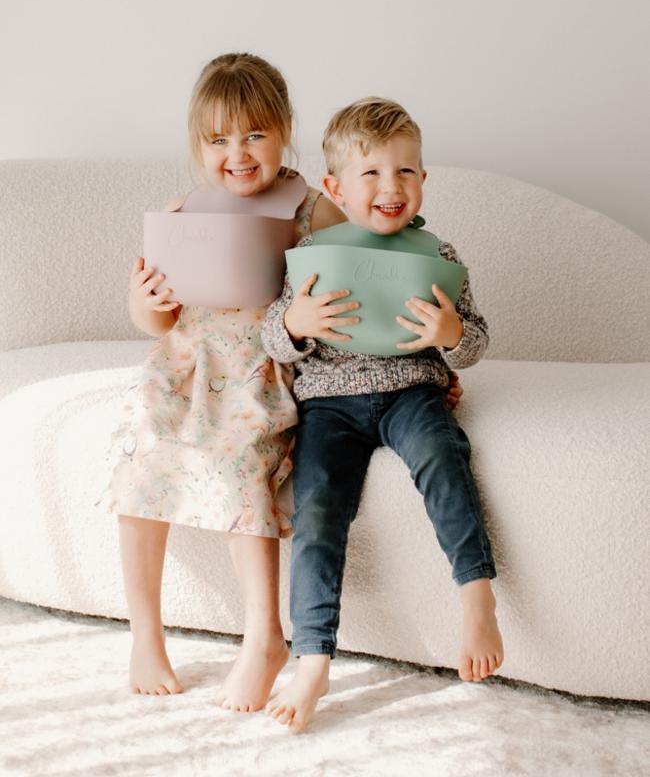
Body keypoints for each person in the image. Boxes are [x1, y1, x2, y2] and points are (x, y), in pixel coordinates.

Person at [99, 52, 346, 709]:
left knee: (245, 463)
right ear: (197, 145)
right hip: (184, 368)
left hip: (257, 373)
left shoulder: (311, 209)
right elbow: (155, 320)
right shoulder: (186, 209)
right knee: (140, 454)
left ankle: (264, 636)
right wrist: (144, 295)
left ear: (284, 129)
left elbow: (348, 306)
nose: (237, 154)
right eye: (218, 140)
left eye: (254, 135)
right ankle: (144, 633)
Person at [260, 97, 504, 733]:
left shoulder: (437, 252)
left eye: (406, 172)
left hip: (412, 391)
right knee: (315, 510)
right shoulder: (314, 250)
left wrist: (451, 332)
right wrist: (294, 323)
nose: (391, 187)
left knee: (444, 457)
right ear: (337, 188)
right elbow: (271, 336)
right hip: (330, 405)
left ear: (423, 181)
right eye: (371, 174)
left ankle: (476, 595)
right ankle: (312, 656)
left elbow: (475, 341)